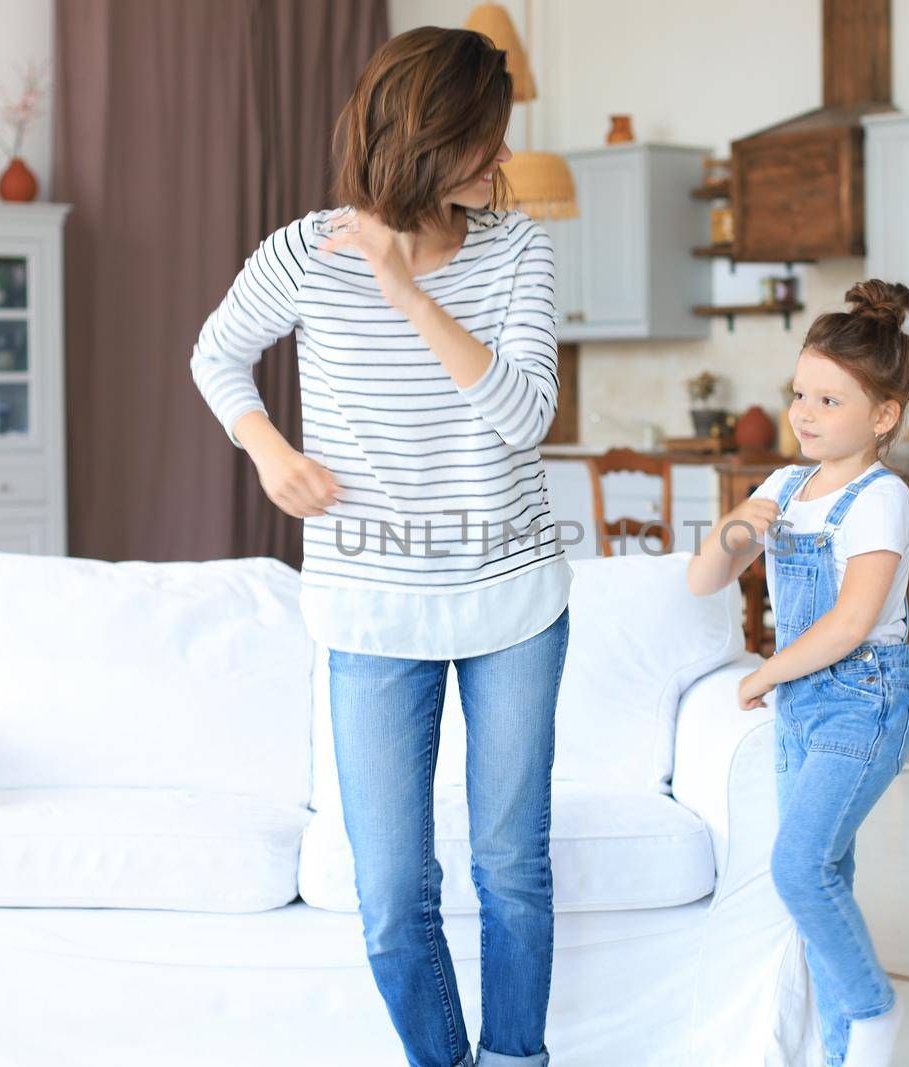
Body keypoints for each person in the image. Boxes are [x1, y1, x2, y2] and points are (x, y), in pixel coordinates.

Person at [189, 26, 571, 1067]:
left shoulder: (520, 248)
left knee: (511, 869)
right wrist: (266, 447)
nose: (501, 162)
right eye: (485, 141)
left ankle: (516, 1058)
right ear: (426, 139)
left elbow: (525, 413)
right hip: (369, 605)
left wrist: (406, 289)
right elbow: (217, 351)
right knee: (391, 891)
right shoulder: (305, 251)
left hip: (514, 601)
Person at [685, 280, 909, 1067]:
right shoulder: (784, 486)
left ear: (883, 415)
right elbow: (702, 579)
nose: (806, 413)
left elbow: (853, 621)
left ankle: (872, 1010)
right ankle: (843, 1053)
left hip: (865, 704)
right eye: (800, 394)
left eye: (829, 399)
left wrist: (764, 673)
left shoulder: (881, 498)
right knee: (823, 876)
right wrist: (733, 529)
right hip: (802, 709)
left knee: (798, 866)